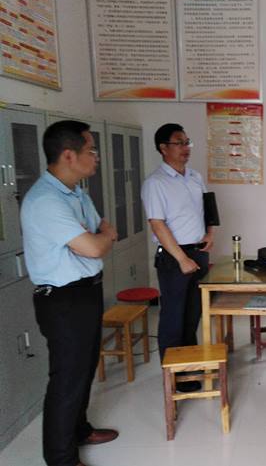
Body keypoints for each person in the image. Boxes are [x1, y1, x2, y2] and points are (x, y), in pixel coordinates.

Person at [21, 120, 119, 466]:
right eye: (91, 150)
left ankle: (80, 430)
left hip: (86, 292)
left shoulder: (76, 193)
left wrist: (96, 238)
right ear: (68, 155)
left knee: (85, 367)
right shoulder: (46, 201)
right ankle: (60, 458)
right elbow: (95, 245)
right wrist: (98, 239)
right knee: (67, 378)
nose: (96, 157)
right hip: (63, 299)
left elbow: (102, 230)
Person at [141, 123, 213, 392]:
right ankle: (173, 376)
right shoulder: (155, 183)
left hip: (198, 252)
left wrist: (210, 233)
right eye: (179, 143)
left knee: (192, 315)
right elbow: (157, 224)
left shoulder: (195, 177)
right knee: (173, 316)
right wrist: (182, 259)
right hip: (174, 257)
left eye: (187, 142)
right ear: (163, 148)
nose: (186, 148)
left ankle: (188, 368)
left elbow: (208, 208)